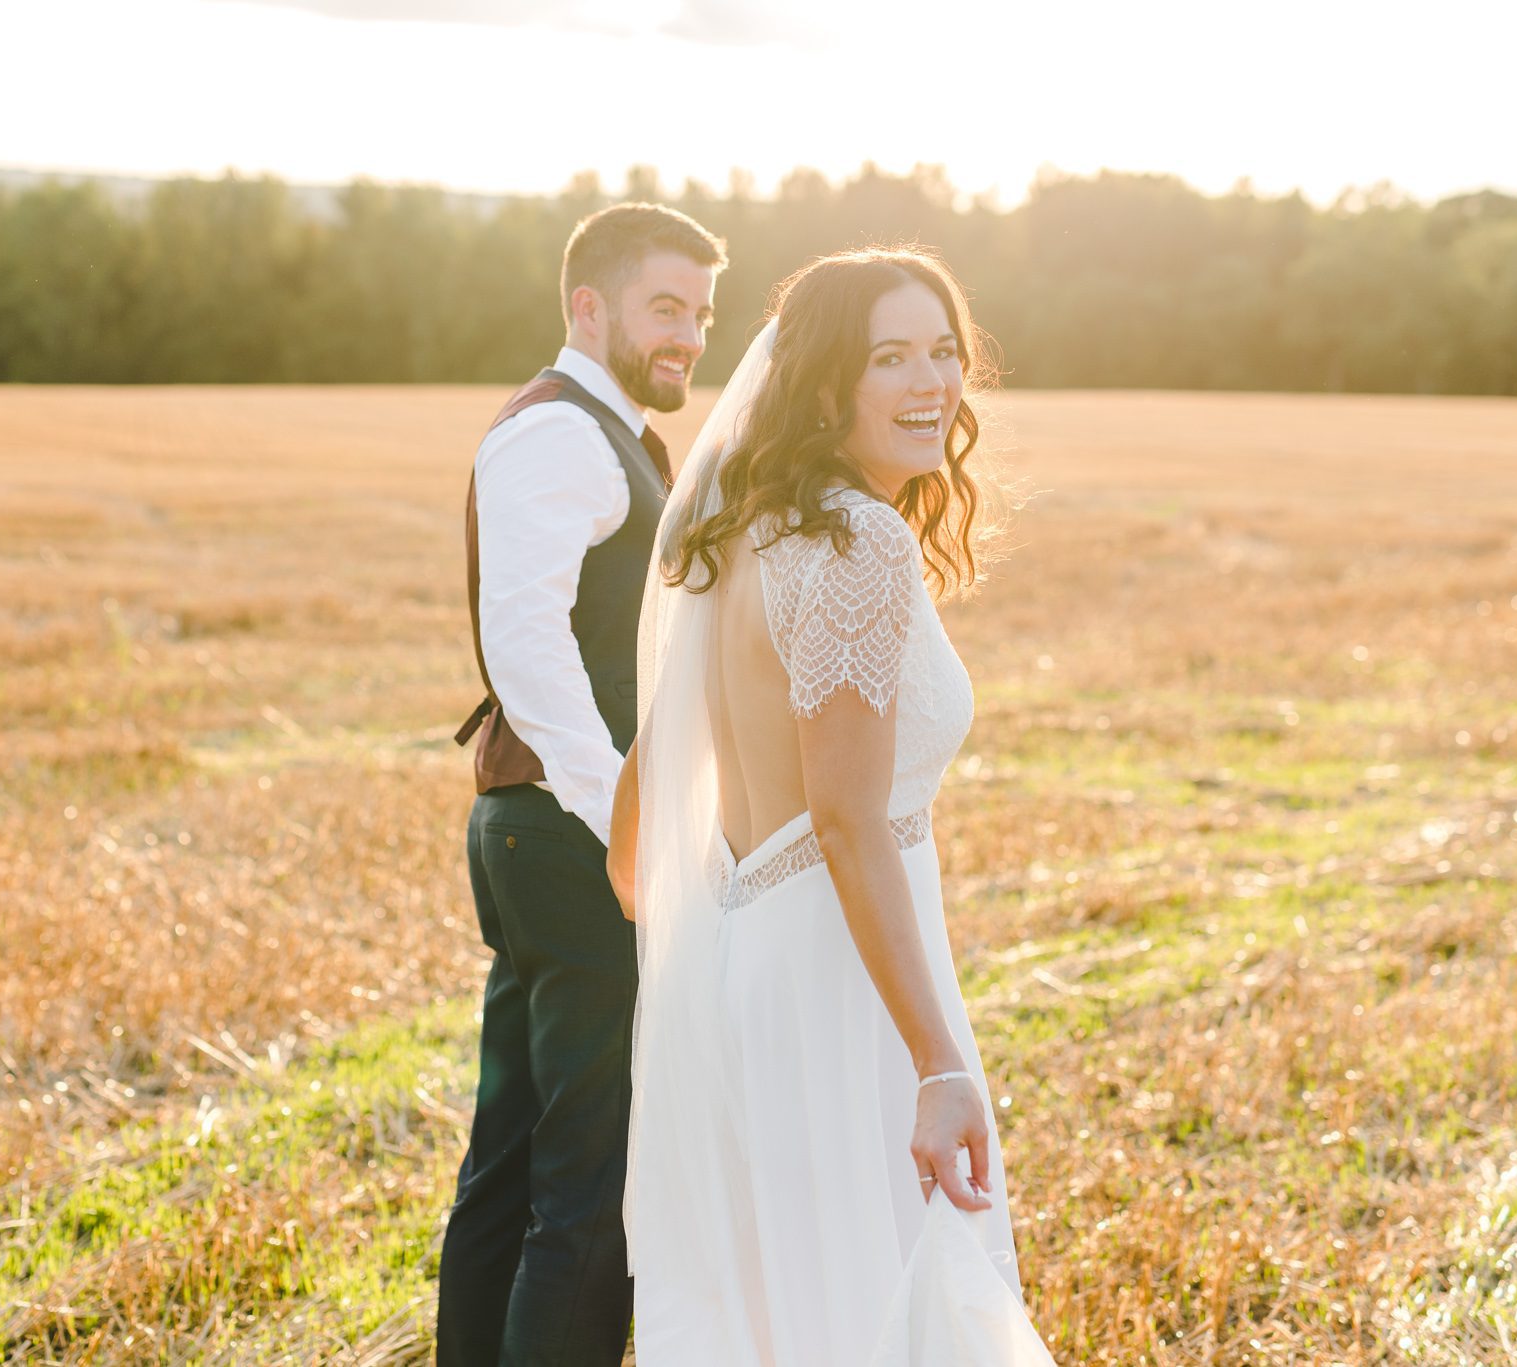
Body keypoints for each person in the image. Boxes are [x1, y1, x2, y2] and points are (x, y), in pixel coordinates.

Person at [606, 248, 1055, 1365]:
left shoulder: (737, 531)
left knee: (788, 1310)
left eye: (944, 353)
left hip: (757, 964)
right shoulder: (856, 540)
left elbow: (634, 828)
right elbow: (847, 821)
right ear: (822, 384)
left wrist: (711, 958)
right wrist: (938, 1063)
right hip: (842, 980)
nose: (929, 383)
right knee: (878, 1309)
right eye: (888, 357)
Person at [439, 201, 726, 1367]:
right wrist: (627, 820)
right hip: (571, 839)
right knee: (587, 1184)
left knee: (512, 1164)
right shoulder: (560, 434)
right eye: (666, 308)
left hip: (539, 832)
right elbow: (525, 639)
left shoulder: (599, 429)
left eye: (701, 315)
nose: (688, 337)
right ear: (587, 306)